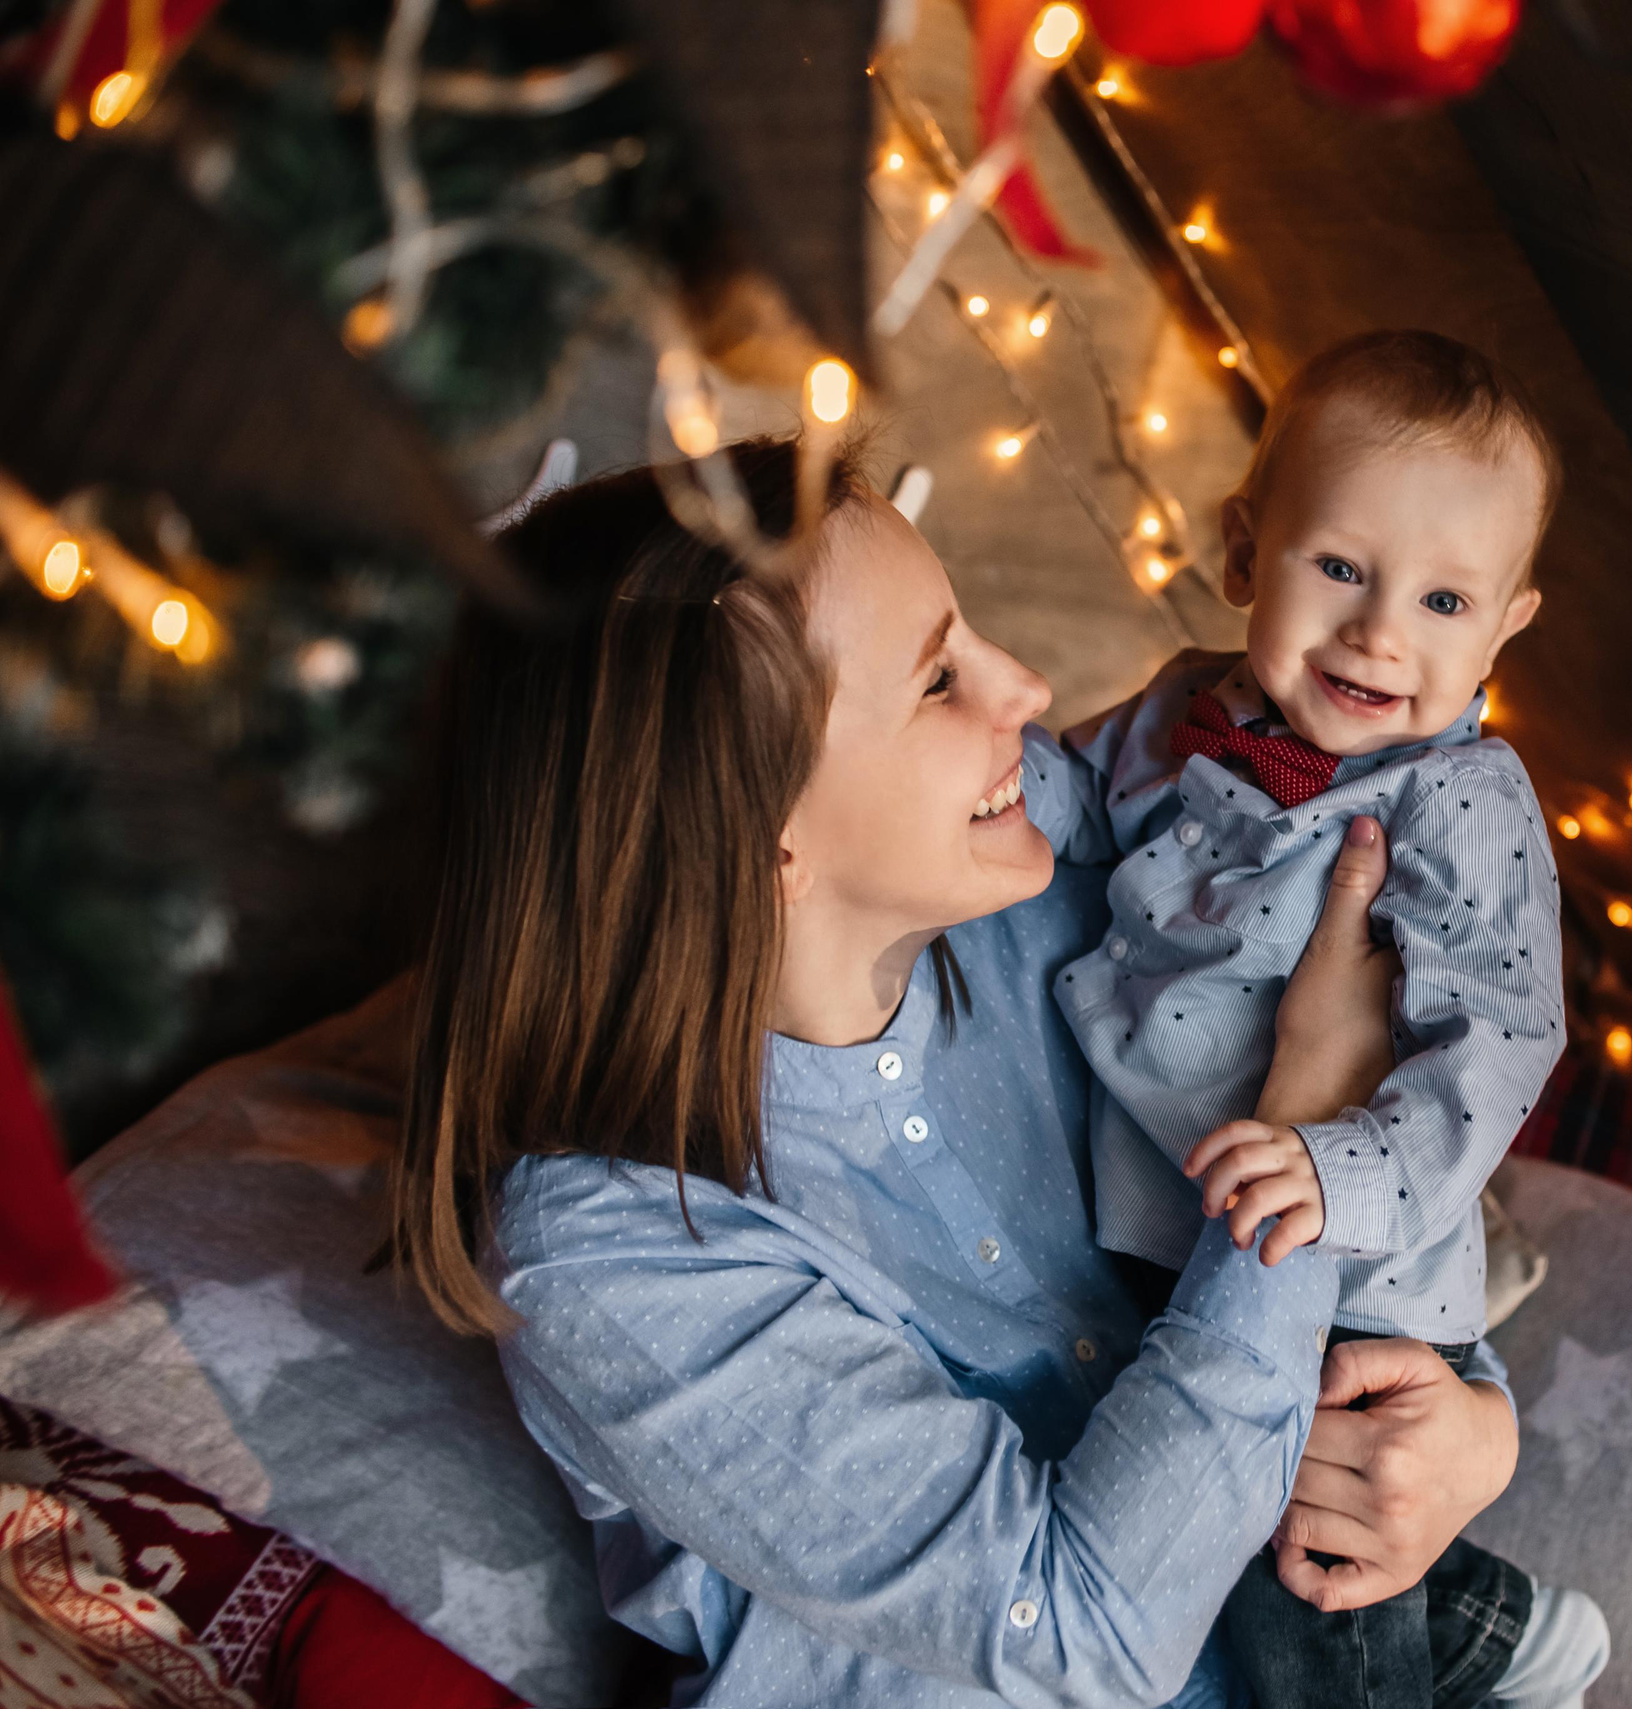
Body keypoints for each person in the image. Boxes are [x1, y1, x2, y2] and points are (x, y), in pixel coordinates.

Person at [389, 438, 1530, 1708]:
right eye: (938, 679)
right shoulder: (612, 1253)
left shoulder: (1067, 884)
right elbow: (1086, 1628)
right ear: (760, 837)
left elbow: (1402, 1156)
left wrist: (1474, 1429)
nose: (1028, 687)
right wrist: (1306, 1117)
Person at [1027, 331, 1608, 1709]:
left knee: (1306, 1599)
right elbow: (1056, 813)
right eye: (1341, 568)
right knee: (1207, 1533)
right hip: (1173, 1241)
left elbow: (1500, 1037)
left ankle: (1450, 1657)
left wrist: (1337, 1170)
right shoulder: (1179, 713)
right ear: (1245, 554)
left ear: (1508, 624)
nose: (1379, 632)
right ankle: (1494, 1637)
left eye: (1444, 600)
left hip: (1353, 1277)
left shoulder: (1458, 805)